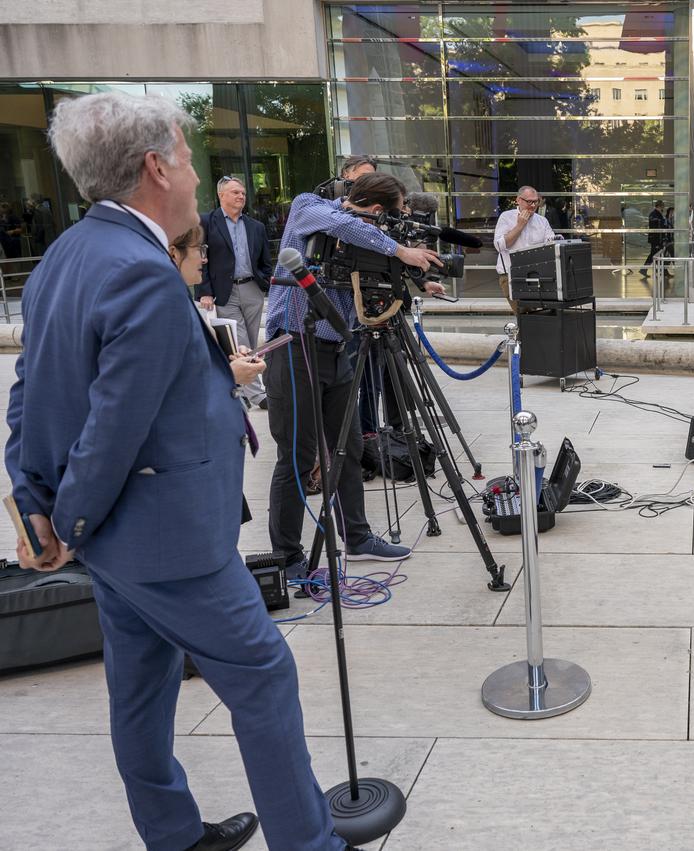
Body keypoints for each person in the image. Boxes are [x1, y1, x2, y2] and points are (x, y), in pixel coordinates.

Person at [5, 91, 348, 851]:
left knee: (140, 691)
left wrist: (38, 499)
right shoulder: (143, 271)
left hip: (121, 543)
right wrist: (67, 521)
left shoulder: (67, 251)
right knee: (263, 676)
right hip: (164, 541)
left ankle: (172, 834)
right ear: (156, 167)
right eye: (190, 159)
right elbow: (110, 429)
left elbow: (30, 390)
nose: (198, 176)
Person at [263, 171, 443, 578]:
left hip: (339, 350)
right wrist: (397, 248)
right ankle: (287, 558)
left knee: (347, 449)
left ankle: (357, 538)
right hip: (293, 346)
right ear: (377, 208)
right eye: (389, 214)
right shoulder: (310, 206)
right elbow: (342, 222)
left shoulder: (364, 237)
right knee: (297, 456)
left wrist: (414, 274)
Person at [195, 176, 273, 409]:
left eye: (243, 193)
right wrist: (204, 291)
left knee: (249, 340)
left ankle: (241, 387)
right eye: (235, 192)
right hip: (224, 291)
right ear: (221, 195)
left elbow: (266, 261)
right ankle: (258, 394)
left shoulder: (256, 227)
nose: (241, 196)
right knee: (239, 340)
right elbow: (201, 260)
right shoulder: (207, 222)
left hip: (252, 289)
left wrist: (265, 283)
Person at [494, 185, 556, 311]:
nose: (533, 205)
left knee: (541, 314)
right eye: (529, 201)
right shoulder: (506, 217)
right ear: (518, 200)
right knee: (524, 315)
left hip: (536, 275)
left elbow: (551, 244)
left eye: (536, 201)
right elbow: (499, 246)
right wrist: (520, 225)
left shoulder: (542, 221)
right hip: (511, 275)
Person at [642, 199, 667, 275]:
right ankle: (645, 269)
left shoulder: (657, 214)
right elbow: (655, 224)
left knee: (656, 253)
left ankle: (654, 270)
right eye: (662, 207)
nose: (663, 209)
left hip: (657, 238)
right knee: (654, 254)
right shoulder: (654, 214)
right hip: (655, 238)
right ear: (659, 206)